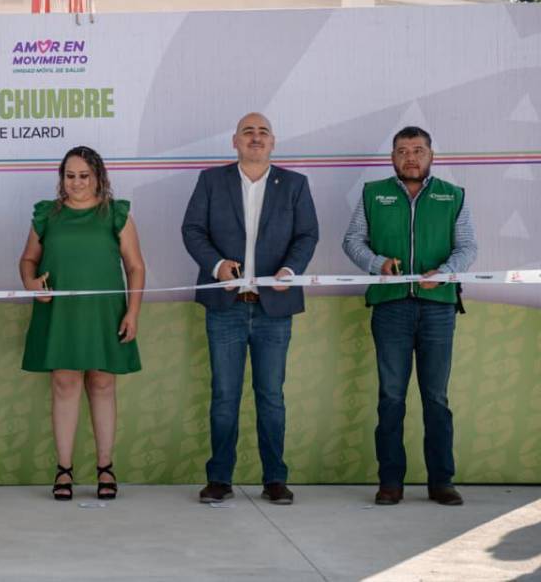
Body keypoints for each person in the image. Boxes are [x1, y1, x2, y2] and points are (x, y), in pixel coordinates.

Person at [181, 113, 319, 505]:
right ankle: (219, 479)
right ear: (235, 141)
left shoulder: (294, 184)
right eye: (248, 132)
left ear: (273, 142)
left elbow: (307, 234)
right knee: (224, 395)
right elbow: (192, 229)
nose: (255, 138)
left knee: (271, 395)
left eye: (263, 132)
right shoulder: (211, 181)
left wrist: (290, 270)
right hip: (225, 306)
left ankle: (275, 479)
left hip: (274, 309)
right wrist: (216, 266)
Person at [342, 126, 476, 506]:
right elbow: (352, 240)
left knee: (436, 398)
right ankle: (390, 483)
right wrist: (377, 264)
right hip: (390, 307)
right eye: (402, 151)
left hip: (439, 309)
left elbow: (468, 247)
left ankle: (441, 482)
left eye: (418, 150)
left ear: (431, 155)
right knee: (391, 397)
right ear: (392, 158)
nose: (411, 157)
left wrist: (446, 272)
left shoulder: (454, 195)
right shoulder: (372, 194)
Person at [19, 146, 145, 501]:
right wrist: (30, 283)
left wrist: (133, 312)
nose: (76, 183)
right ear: (62, 179)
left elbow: (135, 266)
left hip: (105, 312)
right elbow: (28, 260)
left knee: (103, 383)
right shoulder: (47, 215)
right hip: (59, 313)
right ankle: (64, 469)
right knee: (64, 382)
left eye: (84, 176)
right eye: (70, 176)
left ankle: (106, 467)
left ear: (98, 177)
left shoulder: (117, 215)